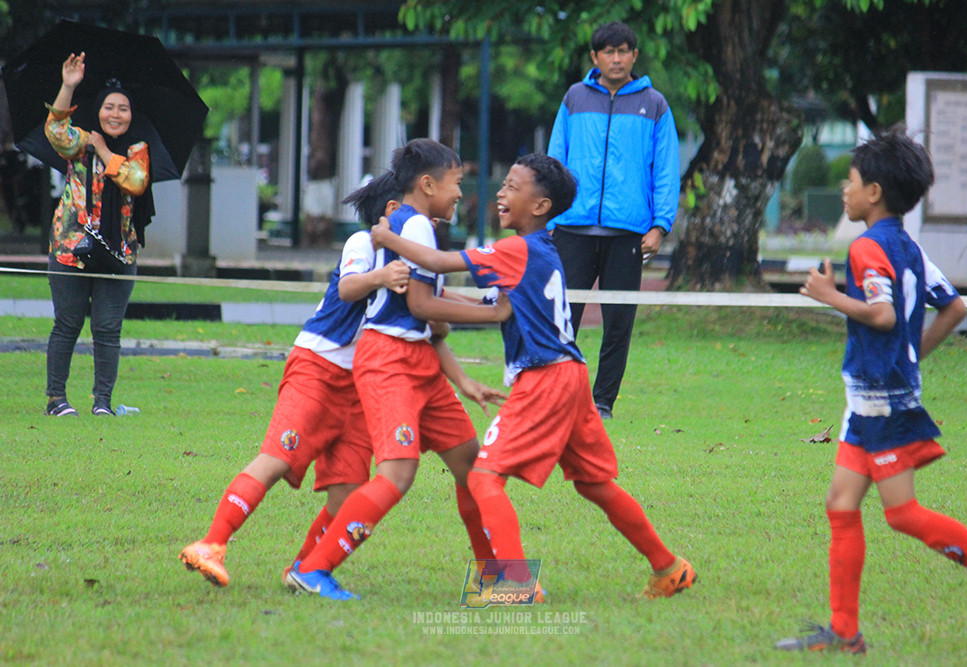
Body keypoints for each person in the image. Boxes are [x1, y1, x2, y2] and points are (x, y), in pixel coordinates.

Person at [371, 153, 697, 600]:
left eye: (510, 186)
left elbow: (435, 260)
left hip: (544, 376)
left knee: (483, 478)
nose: (500, 193)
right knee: (595, 484)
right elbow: (500, 304)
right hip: (572, 374)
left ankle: (513, 583)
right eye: (503, 185)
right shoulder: (542, 249)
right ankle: (669, 567)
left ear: (540, 207)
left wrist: (385, 234)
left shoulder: (515, 249)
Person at [776, 131, 967, 654]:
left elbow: (882, 313)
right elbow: (955, 307)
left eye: (850, 181)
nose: (844, 188)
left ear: (873, 191)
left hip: (882, 401)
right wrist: (912, 353)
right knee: (840, 502)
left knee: (902, 514)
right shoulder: (908, 246)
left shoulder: (868, 246)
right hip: (870, 398)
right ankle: (845, 633)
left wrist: (831, 297)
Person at [285, 139, 511, 599]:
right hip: (389, 362)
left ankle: (497, 580)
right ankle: (313, 569)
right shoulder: (419, 230)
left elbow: (426, 306)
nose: (460, 195)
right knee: (397, 475)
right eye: (456, 184)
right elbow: (424, 305)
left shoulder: (414, 228)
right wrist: (495, 313)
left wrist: (486, 305)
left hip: (419, 361)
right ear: (427, 184)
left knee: (473, 467)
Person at [178, 172, 410, 590]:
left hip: (361, 385)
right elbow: (350, 288)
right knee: (276, 458)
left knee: (350, 496)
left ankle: (305, 569)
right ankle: (211, 544)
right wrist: (382, 277)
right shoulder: (364, 242)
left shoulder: (414, 254)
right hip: (319, 367)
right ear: (392, 211)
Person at [547, 21, 680, 420]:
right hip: (572, 228)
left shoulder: (654, 104)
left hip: (629, 233)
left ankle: (602, 402)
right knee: (559, 317)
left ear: (634, 56)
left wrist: (660, 225)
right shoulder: (574, 98)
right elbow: (555, 159)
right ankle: (559, 395)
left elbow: (667, 170)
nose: (617, 58)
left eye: (624, 51)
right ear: (595, 57)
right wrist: (549, 216)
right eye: (609, 52)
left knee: (618, 322)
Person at [43, 53, 154, 417]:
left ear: (131, 115)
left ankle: (102, 403)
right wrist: (68, 84)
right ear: (98, 110)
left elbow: (135, 182)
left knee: (107, 329)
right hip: (71, 250)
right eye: (109, 107)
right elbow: (56, 130)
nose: (116, 114)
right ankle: (56, 399)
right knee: (68, 324)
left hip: (119, 254)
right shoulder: (79, 142)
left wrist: (104, 150)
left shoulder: (137, 151)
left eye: (123, 108)